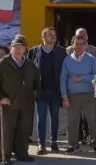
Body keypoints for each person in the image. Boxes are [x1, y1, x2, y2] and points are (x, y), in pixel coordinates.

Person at [0, 36, 40, 165]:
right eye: (15, 47)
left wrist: (36, 95)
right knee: (7, 131)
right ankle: (4, 157)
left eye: (20, 47)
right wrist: (0, 97)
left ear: (24, 49)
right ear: (11, 48)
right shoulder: (3, 63)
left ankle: (22, 154)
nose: (18, 50)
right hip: (9, 104)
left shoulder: (29, 64)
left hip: (26, 104)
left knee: (24, 130)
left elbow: (37, 82)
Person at [27, 27, 66, 155]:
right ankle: (41, 144)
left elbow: (64, 72)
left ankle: (54, 142)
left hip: (55, 91)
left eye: (54, 35)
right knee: (41, 118)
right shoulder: (33, 52)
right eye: (51, 35)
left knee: (55, 118)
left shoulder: (61, 51)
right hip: (40, 91)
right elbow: (28, 72)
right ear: (43, 37)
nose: (54, 37)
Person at [60, 35, 96, 154]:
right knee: (72, 121)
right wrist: (64, 96)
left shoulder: (91, 59)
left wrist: (82, 78)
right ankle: (72, 145)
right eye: (76, 44)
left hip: (89, 94)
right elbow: (62, 78)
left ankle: (94, 143)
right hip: (72, 95)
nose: (78, 46)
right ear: (72, 45)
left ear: (85, 45)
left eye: (81, 44)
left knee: (92, 119)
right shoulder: (67, 60)